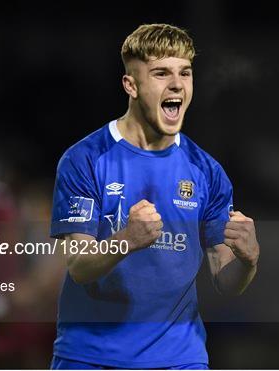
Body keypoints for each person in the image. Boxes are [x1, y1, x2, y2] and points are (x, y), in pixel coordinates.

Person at [49, 23, 260, 369]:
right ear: (131, 85)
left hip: (178, 360)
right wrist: (127, 240)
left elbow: (226, 279)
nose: (177, 84)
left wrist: (248, 262)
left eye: (185, 73)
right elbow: (79, 266)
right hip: (90, 357)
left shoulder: (206, 171)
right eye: (161, 73)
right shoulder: (85, 159)